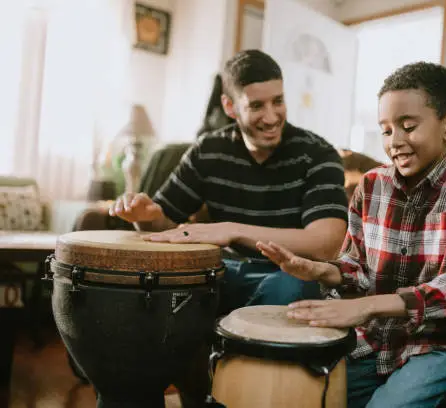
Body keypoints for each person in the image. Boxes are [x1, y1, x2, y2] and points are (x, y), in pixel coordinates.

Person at [108, 49, 348, 406]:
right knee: (158, 294)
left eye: (278, 101)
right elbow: (164, 218)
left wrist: (233, 229)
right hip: (224, 272)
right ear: (231, 106)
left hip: (290, 272)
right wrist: (143, 213)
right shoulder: (209, 150)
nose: (272, 116)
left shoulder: (317, 154)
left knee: (290, 285)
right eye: (256, 106)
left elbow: (326, 243)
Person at [257, 62, 446, 408]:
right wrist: (320, 270)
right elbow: (357, 268)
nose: (395, 141)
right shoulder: (371, 186)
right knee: (306, 394)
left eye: (408, 126)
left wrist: (365, 308)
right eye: (385, 131)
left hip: (442, 341)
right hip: (378, 337)